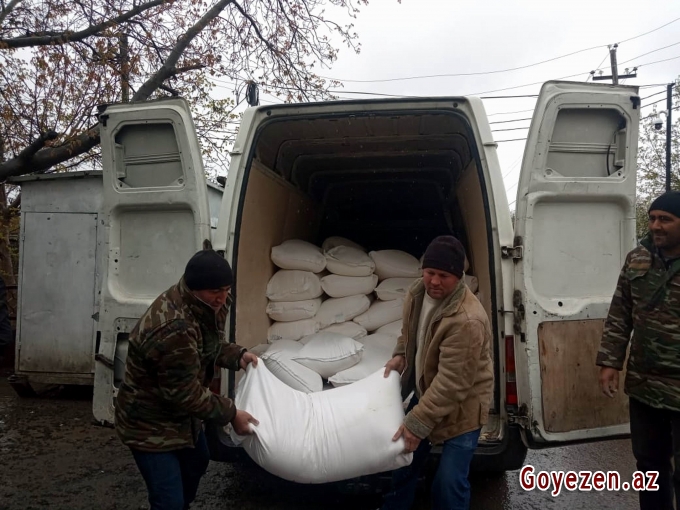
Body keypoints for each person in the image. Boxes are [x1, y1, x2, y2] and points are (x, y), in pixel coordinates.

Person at [115, 245, 259, 510]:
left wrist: (236, 355)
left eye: (227, 290)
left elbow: (207, 344)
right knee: (168, 500)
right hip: (150, 422)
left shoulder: (207, 303)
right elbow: (184, 393)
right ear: (194, 289)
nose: (222, 298)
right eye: (215, 292)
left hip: (183, 416)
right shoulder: (172, 326)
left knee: (197, 463)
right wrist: (231, 413)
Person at [381, 235, 494, 510]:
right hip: (428, 390)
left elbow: (452, 384)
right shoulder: (417, 293)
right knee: (403, 467)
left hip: (462, 409)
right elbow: (410, 333)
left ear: (459, 277)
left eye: (444, 275)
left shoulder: (467, 320)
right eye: (430, 272)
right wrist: (400, 354)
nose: (434, 281)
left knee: (447, 485)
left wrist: (417, 424)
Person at [597, 190, 680, 510]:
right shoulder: (638, 258)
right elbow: (621, 311)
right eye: (654, 219)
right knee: (650, 467)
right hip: (645, 385)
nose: (656, 226)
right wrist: (609, 361)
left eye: (666, 220)